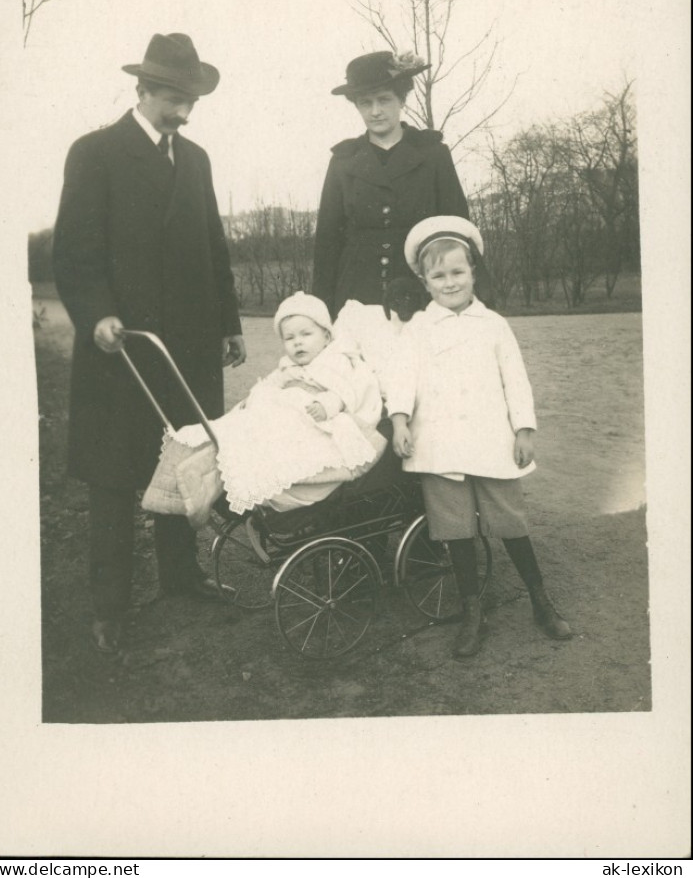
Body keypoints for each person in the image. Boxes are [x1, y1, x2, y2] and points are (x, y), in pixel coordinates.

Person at [52, 32, 246, 654]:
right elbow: (75, 252)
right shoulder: (95, 153)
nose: (185, 111)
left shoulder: (195, 161)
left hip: (185, 348)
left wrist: (229, 322)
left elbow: (214, 248)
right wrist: (98, 315)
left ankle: (181, 579)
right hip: (122, 352)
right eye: (173, 98)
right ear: (142, 90)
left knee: (182, 465)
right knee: (114, 478)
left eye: (191, 100)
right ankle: (109, 608)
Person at [387, 216, 572, 658]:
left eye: (457, 272)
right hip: (439, 443)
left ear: (472, 272)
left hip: (491, 441)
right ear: (424, 280)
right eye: (438, 275)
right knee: (455, 531)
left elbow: (517, 380)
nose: (449, 282)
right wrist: (399, 421)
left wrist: (523, 429)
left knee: (510, 522)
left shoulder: (494, 325)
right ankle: (473, 611)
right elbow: (400, 380)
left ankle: (540, 600)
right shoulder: (416, 330)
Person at [141, 291, 385, 529]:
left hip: (313, 417)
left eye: (306, 334)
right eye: (289, 338)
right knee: (236, 427)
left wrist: (327, 404)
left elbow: (346, 390)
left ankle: (207, 477)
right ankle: (199, 472)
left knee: (265, 437)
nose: (298, 342)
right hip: (283, 412)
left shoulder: (336, 361)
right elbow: (270, 383)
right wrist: (255, 399)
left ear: (327, 337)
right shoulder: (288, 366)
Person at [312, 49, 470, 318]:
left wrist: (464, 303)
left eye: (384, 100)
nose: (375, 111)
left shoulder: (432, 154)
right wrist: (321, 312)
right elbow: (327, 244)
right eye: (365, 102)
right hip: (355, 297)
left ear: (401, 100)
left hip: (421, 292)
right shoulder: (343, 161)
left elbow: (458, 231)